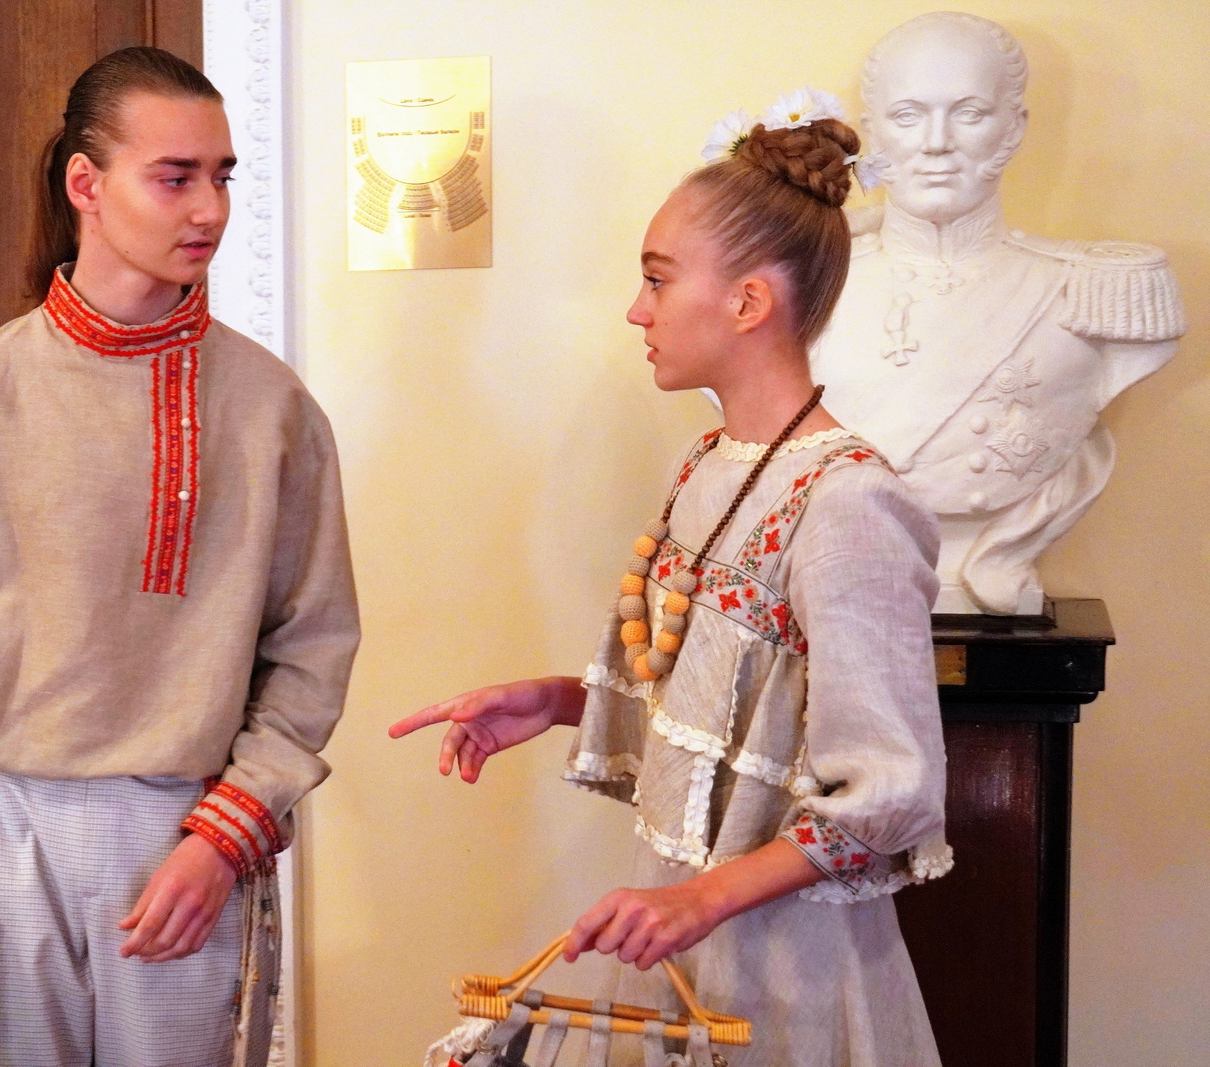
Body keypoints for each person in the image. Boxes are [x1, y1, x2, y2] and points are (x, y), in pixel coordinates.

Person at [392, 103, 951, 1066]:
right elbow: (723, 716)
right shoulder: (706, 465)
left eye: (656, 279)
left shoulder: (850, 501)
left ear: (747, 301)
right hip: (685, 952)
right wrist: (559, 700)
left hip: (794, 976)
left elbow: (889, 795)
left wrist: (699, 898)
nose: (636, 310)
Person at [0, 46, 360, 1067]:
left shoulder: (272, 408)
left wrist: (224, 835)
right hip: (7, 830)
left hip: (187, 836)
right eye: (175, 177)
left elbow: (314, 646)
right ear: (85, 184)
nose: (210, 209)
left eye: (222, 176)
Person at [810, 12, 1184, 614]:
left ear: (1014, 128)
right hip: (842, 587)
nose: (936, 142)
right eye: (908, 116)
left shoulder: (1091, 290)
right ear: (872, 132)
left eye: (969, 113)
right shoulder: (806, 281)